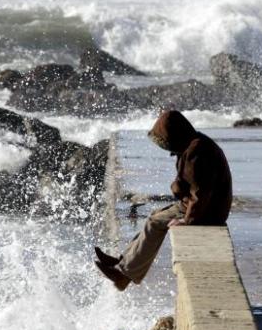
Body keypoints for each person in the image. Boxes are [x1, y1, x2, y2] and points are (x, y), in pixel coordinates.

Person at [94, 110, 233, 290]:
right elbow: (189, 183)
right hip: (200, 205)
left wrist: (188, 221)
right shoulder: (193, 144)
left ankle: (123, 275)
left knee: (155, 223)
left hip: (208, 211)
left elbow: (200, 193)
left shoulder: (196, 152)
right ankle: (123, 262)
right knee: (155, 216)